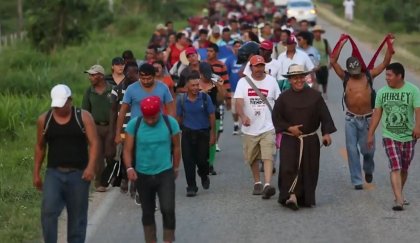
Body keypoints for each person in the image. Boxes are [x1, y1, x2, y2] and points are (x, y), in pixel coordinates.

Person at [34, 84, 98, 243]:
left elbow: (94, 143)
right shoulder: (44, 120)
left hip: (79, 174)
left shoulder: (83, 117)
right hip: (54, 174)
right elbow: (40, 147)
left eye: (62, 104)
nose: (59, 108)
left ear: (70, 100)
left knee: (77, 217)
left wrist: (91, 167)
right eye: (56, 105)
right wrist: (36, 173)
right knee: (48, 212)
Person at [330, 36, 394, 189]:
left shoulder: (368, 76)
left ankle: (368, 168)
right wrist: (341, 43)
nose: (355, 73)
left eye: (357, 70)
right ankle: (357, 180)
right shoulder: (345, 77)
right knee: (352, 150)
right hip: (351, 119)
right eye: (353, 71)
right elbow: (333, 62)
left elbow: (385, 63)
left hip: (367, 119)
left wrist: (389, 46)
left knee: (368, 150)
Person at [272, 64, 336, 210]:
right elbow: (276, 117)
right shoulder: (283, 98)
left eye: (301, 77)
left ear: (305, 78)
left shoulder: (315, 96)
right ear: (289, 80)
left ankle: (304, 197)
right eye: (295, 78)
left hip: (310, 139)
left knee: (308, 169)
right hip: (289, 139)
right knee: (289, 167)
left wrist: (326, 133)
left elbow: (324, 116)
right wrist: (289, 128)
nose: (299, 80)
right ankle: (291, 196)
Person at [123, 96, 181, 243]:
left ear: (159, 112)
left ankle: (168, 239)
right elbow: (127, 150)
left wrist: (175, 167)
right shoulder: (134, 125)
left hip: (165, 173)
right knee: (147, 212)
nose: (150, 121)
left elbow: (176, 147)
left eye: (153, 117)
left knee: (168, 209)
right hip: (142, 174)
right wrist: (129, 168)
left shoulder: (170, 123)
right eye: (147, 118)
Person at [367, 63, 420, 211]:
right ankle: (398, 200)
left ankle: (399, 193)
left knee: (404, 167)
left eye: (389, 75)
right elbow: (377, 114)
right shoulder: (382, 92)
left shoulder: (413, 90)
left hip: (409, 136)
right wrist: (370, 134)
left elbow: (418, 110)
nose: (386, 78)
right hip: (389, 135)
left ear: (399, 76)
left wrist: (418, 126)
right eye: (386, 75)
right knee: (395, 166)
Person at [234, 55, 280, 199]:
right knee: (252, 157)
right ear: (251, 67)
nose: (259, 69)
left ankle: (267, 184)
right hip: (250, 128)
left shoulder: (272, 81)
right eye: (256, 66)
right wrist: (243, 116)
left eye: (261, 65)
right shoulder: (243, 82)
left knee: (268, 155)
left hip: (268, 126)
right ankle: (257, 182)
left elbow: (279, 102)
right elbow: (239, 102)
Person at [176, 70, 216, 197]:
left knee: (202, 160)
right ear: (187, 86)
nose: (195, 88)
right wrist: (178, 132)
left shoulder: (205, 98)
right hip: (187, 134)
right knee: (188, 161)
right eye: (192, 85)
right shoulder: (181, 100)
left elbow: (211, 116)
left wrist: (213, 134)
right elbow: (179, 117)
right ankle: (191, 186)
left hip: (203, 133)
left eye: (197, 85)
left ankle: (204, 175)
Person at [115, 63, 175, 144]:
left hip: (158, 129)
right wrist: (118, 133)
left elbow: (171, 110)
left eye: (149, 79)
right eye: (143, 78)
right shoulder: (131, 89)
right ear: (139, 76)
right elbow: (122, 111)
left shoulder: (163, 88)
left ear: (154, 76)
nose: (145, 81)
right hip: (137, 130)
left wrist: (170, 129)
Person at [82, 64, 114, 192]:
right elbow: (85, 111)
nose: (90, 77)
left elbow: (117, 110)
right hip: (95, 127)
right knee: (98, 155)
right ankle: (99, 182)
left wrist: (115, 130)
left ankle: (111, 173)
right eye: (89, 75)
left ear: (101, 76)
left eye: (93, 75)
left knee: (110, 154)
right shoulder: (89, 92)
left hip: (110, 126)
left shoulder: (112, 90)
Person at [109, 62, 139, 195]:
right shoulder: (117, 89)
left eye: (136, 72)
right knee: (124, 154)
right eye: (132, 72)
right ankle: (125, 177)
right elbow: (113, 111)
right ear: (126, 73)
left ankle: (134, 184)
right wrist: (114, 131)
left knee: (137, 155)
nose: (135, 75)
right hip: (123, 128)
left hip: (138, 127)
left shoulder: (140, 88)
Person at [199, 62, 226, 175]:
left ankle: (210, 164)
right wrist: (202, 92)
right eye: (205, 74)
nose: (207, 77)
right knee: (200, 140)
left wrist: (219, 87)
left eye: (209, 74)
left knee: (212, 140)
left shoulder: (215, 80)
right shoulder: (195, 82)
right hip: (198, 115)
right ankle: (201, 162)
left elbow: (220, 99)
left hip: (213, 113)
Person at [225, 40, 243, 135]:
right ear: (233, 48)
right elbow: (225, 74)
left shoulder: (245, 59)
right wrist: (227, 89)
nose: (238, 48)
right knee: (234, 110)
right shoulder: (229, 59)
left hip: (244, 89)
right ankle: (236, 124)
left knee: (244, 108)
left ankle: (243, 125)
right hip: (233, 89)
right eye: (236, 46)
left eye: (240, 46)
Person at [311, 25, 331, 98]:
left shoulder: (325, 42)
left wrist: (330, 64)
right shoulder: (311, 42)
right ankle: (317, 95)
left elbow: (330, 52)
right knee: (315, 81)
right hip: (314, 66)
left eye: (319, 32)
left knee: (324, 81)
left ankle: (325, 93)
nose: (317, 34)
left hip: (324, 65)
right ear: (314, 33)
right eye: (316, 32)